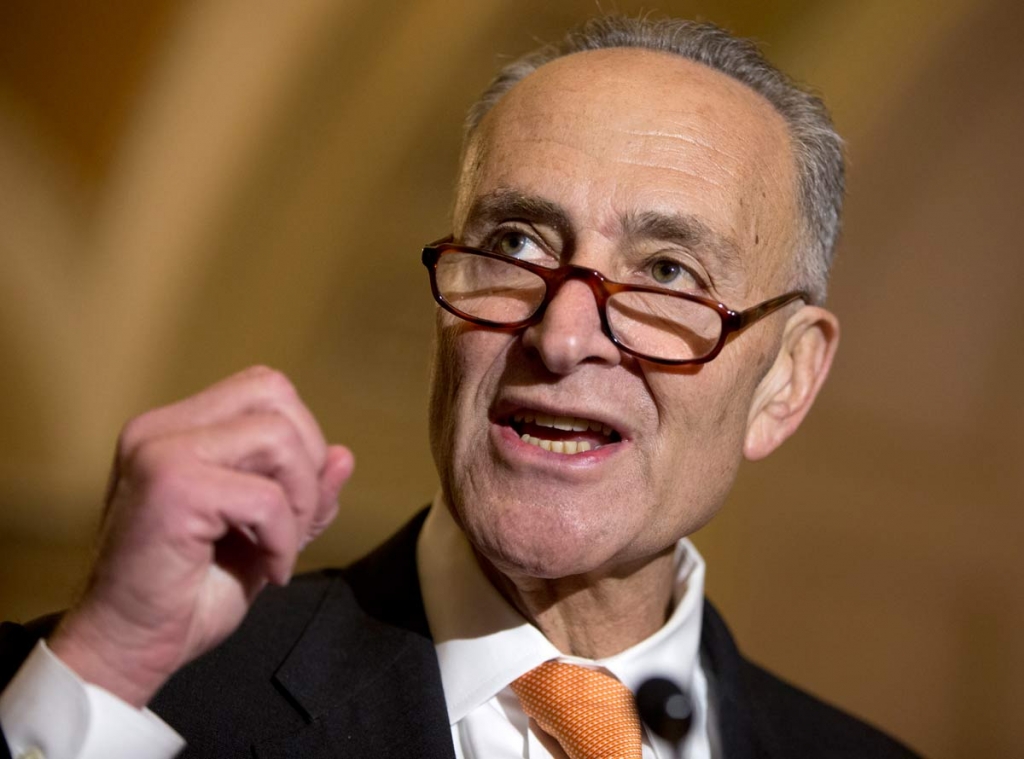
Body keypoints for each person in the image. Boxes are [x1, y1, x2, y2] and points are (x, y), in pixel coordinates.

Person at [0, 15, 922, 759]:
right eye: (516, 244)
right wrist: (107, 667)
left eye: (669, 273)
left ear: (785, 380)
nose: (561, 337)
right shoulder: (119, 700)